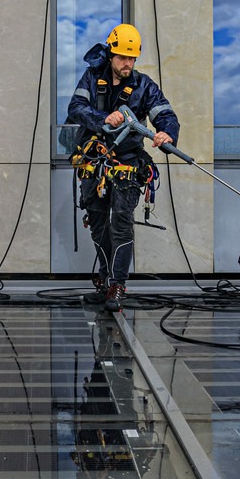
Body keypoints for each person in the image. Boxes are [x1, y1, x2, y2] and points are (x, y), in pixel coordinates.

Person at [64, 23, 180, 311]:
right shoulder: (92, 78)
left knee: (121, 224)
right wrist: (105, 117)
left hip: (127, 164)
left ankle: (117, 285)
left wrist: (167, 132)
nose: (128, 64)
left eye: (132, 59)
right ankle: (104, 282)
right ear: (111, 55)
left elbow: (164, 113)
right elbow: (76, 108)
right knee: (98, 223)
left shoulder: (144, 86)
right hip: (94, 162)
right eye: (122, 58)